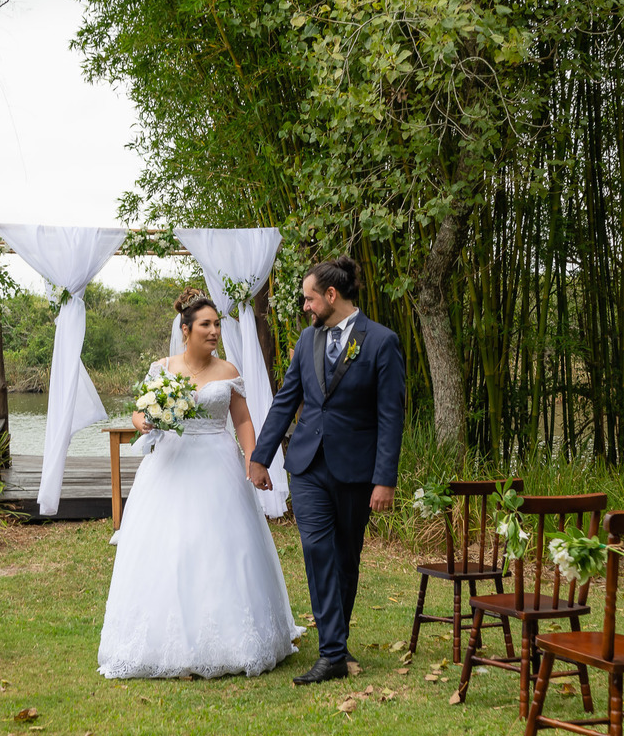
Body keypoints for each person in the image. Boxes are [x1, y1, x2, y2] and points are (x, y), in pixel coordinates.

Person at [97, 288, 303, 679]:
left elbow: (242, 420)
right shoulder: (163, 368)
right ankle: (165, 638)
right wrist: (149, 421)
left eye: (217, 325)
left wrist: (252, 459)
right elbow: (141, 413)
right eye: (206, 325)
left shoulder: (228, 372)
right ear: (186, 329)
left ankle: (234, 636)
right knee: (170, 546)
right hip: (171, 465)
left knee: (223, 547)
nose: (214, 332)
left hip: (218, 463)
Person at [249, 256, 405, 685]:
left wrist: (384, 478)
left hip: (356, 470)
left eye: (309, 298)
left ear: (331, 296)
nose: (305, 306)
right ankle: (333, 652)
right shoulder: (306, 340)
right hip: (307, 466)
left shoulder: (381, 342)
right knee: (317, 551)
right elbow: (287, 400)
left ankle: (336, 643)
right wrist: (261, 456)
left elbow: (391, 416)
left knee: (345, 558)